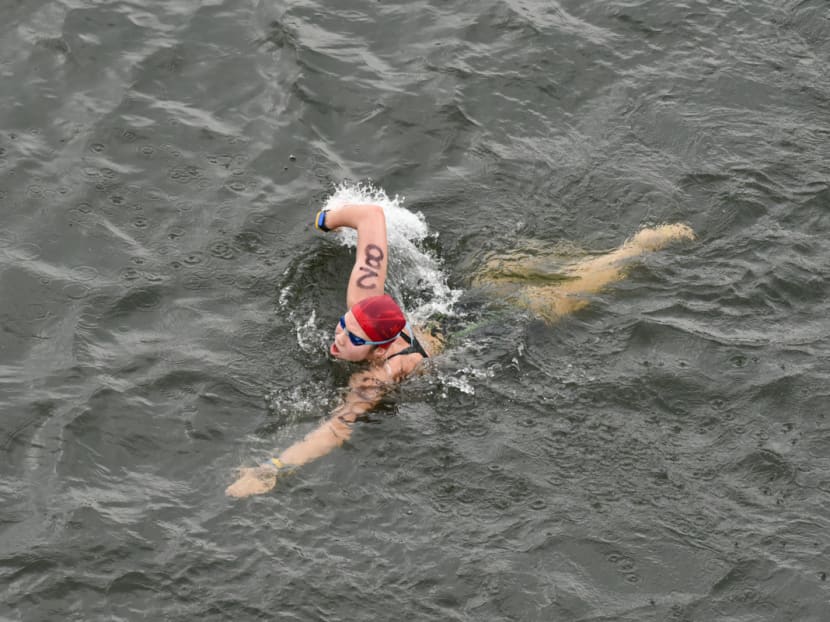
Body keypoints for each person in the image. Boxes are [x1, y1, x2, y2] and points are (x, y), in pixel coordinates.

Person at [225, 205, 694, 498]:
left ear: (381, 348)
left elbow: (335, 430)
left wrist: (272, 469)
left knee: (568, 292)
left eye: (352, 338)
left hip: (490, 332)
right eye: (344, 327)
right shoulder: (364, 302)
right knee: (514, 271)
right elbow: (370, 219)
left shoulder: (378, 376)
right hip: (464, 306)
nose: (339, 335)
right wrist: (327, 219)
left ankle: (635, 249)